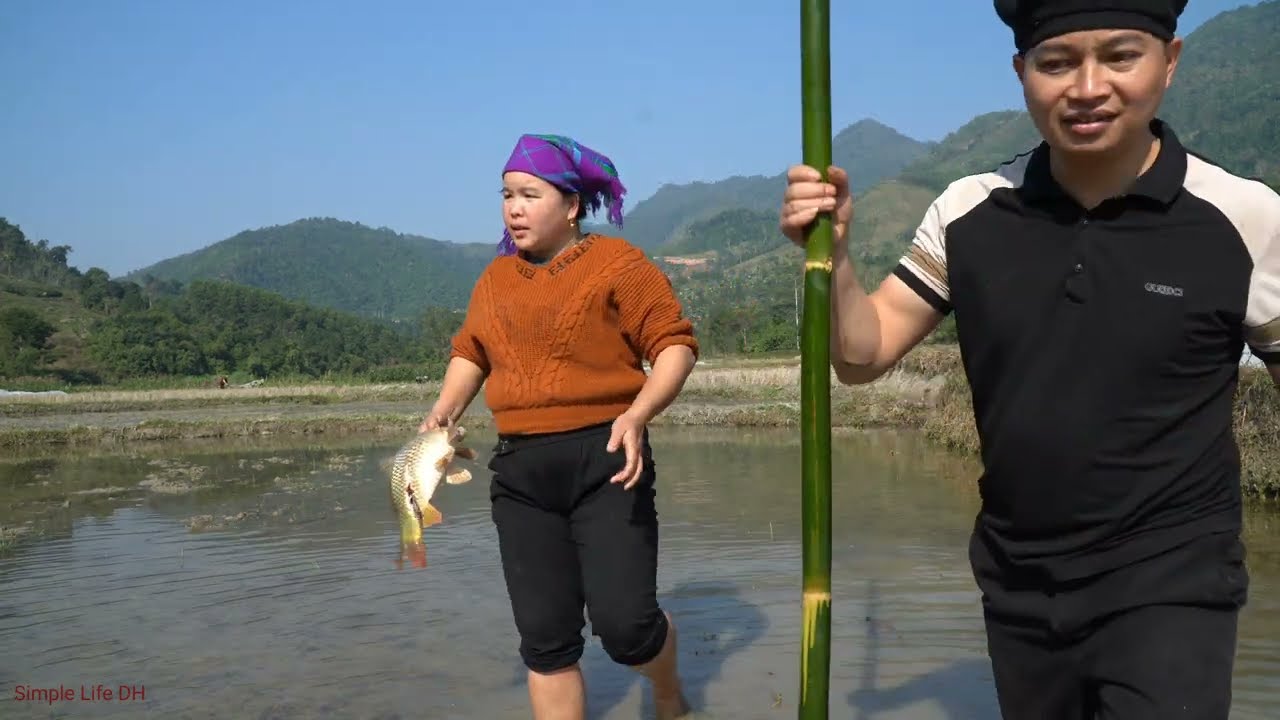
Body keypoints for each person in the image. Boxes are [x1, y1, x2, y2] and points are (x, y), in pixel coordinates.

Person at [780, 1, 1280, 718]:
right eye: (1056, 63)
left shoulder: (1245, 216)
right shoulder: (970, 211)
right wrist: (836, 254)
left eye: (1119, 56)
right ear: (1021, 73)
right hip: (1018, 580)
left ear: (1170, 61)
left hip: (1174, 582)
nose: (1086, 86)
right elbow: (863, 356)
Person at [420, 133, 700, 720]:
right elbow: (471, 351)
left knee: (627, 631)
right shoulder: (495, 280)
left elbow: (673, 345)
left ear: (571, 205)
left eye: (528, 194)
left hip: (609, 461)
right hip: (522, 476)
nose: (513, 209)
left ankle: (668, 693)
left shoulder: (618, 264)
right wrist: (445, 411)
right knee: (546, 645)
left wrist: (637, 412)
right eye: (505, 196)